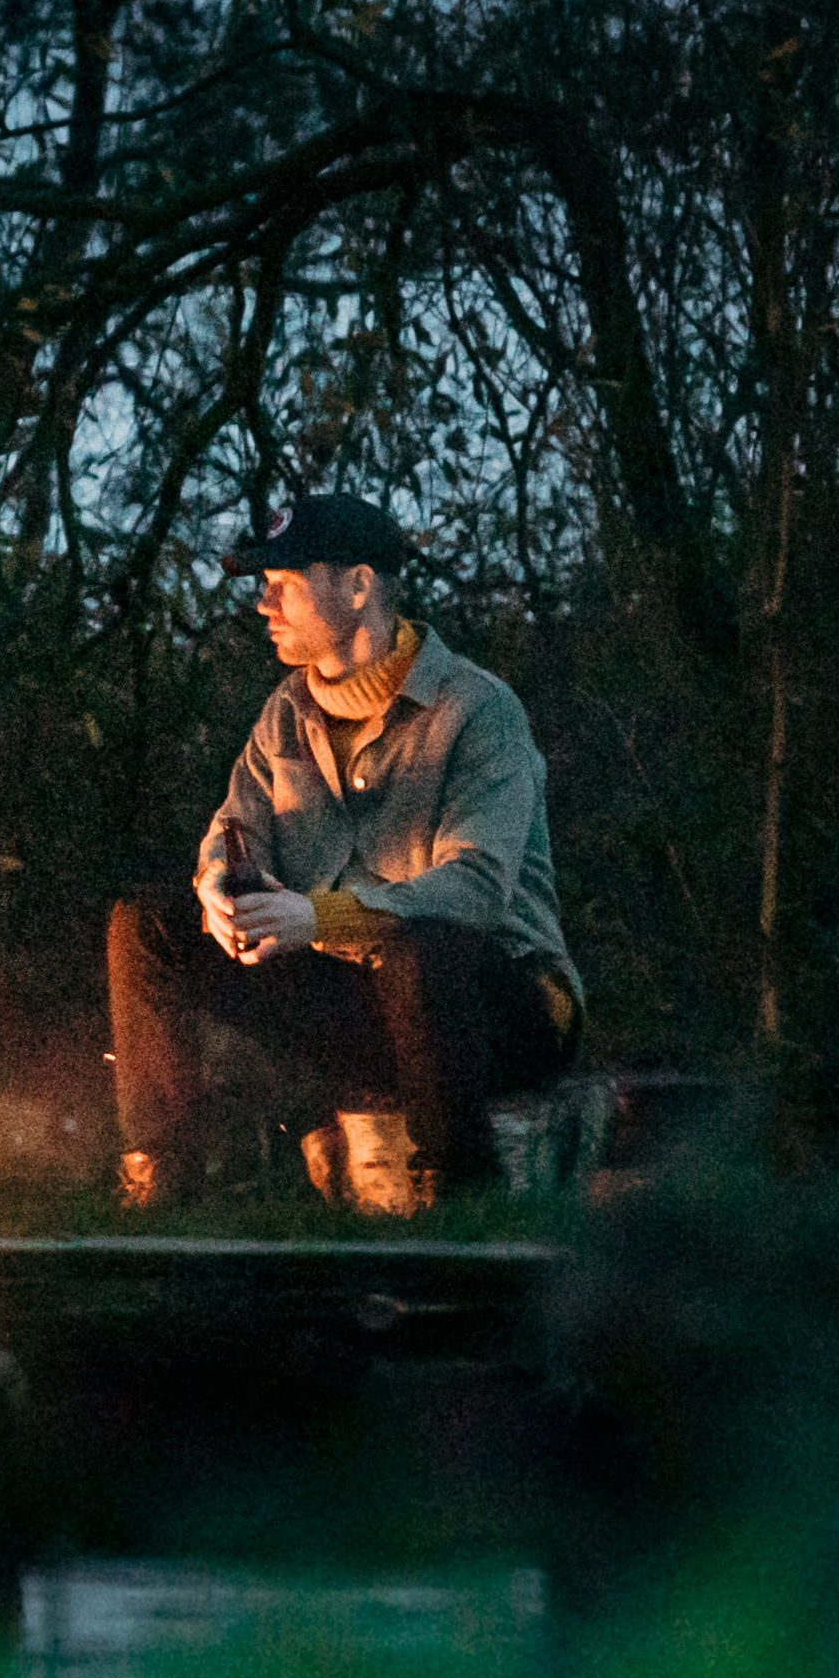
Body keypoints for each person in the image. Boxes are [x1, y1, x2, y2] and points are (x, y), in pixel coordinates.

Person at [107, 492, 583, 1212]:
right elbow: (232, 827)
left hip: (496, 1013)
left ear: (358, 585)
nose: (264, 603)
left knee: (422, 948)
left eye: (284, 582)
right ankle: (161, 1190)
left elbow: (475, 890)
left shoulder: (477, 710)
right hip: (362, 1008)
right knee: (146, 926)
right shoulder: (286, 713)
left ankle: (457, 1194)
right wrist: (220, 889)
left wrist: (316, 917)